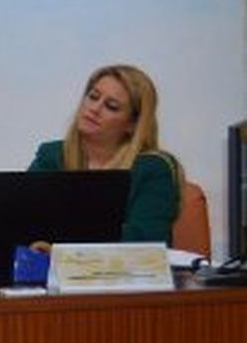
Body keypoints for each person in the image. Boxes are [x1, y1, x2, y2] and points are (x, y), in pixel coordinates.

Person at [28, 64, 180, 243]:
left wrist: (61, 238)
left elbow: (145, 239)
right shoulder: (51, 155)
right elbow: (24, 218)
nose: (94, 108)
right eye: (93, 97)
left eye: (111, 106)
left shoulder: (153, 168)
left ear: (132, 125)